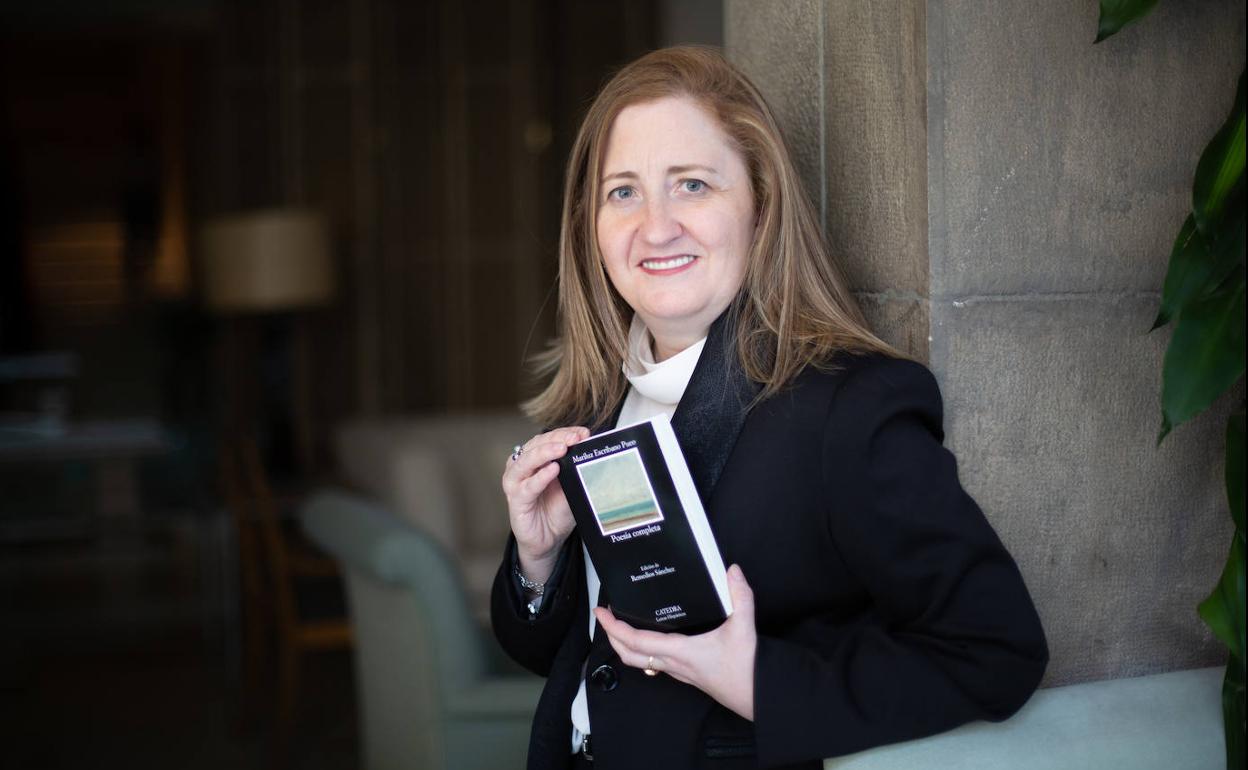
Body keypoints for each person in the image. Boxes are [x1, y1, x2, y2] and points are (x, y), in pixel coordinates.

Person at [493, 46, 1047, 770]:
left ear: (760, 204)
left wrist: (761, 683)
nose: (655, 227)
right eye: (622, 192)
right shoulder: (599, 403)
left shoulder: (849, 408)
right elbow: (566, 655)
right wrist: (538, 561)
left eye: (691, 185)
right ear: (590, 227)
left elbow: (997, 648)